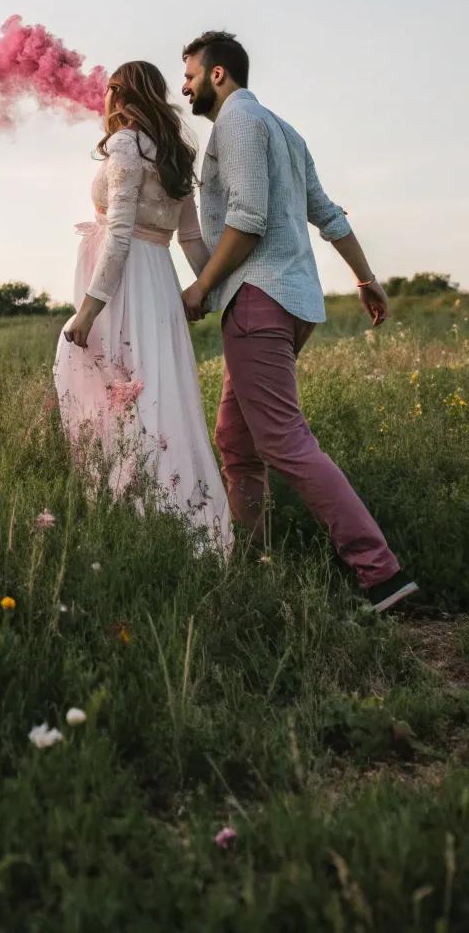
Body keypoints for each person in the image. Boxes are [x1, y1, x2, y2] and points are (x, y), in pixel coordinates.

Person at [179, 30, 417, 612]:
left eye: (188, 74)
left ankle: (380, 573)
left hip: (258, 299)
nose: (182, 86)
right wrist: (365, 278)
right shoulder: (285, 130)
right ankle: (252, 561)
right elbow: (327, 214)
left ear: (218, 75)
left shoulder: (236, 124)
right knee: (236, 442)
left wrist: (201, 288)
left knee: (284, 442)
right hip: (293, 303)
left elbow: (249, 217)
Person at [54, 60, 231, 547]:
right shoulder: (173, 150)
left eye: (108, 91)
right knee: (154, 392)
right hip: (158, 278)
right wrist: (212, 290)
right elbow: (192, 239)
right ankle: (170, 511)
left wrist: (88, 310)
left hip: (125, 281)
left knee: (114, 388)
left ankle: (135, 516)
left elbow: (119, 234)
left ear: (117, 92)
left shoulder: (127, 144)